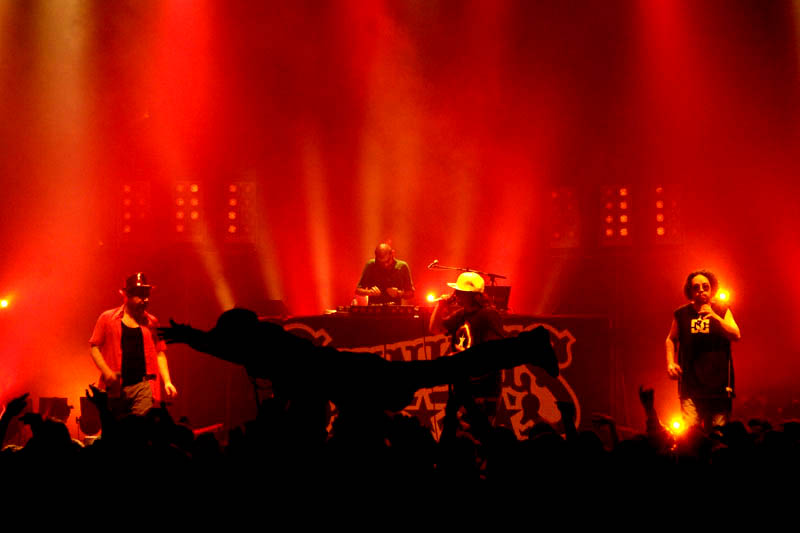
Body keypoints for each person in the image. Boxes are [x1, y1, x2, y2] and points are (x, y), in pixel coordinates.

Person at [157, 307, 558, 425]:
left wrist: (191, 336)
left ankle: (529, 345)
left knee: (443, 370)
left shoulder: (265, 347)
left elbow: (226, 348)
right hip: (358, 377)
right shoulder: (267, 342)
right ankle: (528, 346)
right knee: (442, 370)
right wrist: (191, 335)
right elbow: (226, 347)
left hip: (361, 379)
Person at [89, 273, 177, 419]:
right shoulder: (107, 319)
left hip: (144, 387)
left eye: (147, 295)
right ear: (127, 295)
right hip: (116, 388)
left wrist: (167, 381)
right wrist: (107, 372)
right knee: (117, 429)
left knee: (140, 427)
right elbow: (94, 347)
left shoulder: (152, 322)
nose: (145, 299)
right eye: (140, 295)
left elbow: (160, 353)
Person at [666, 270, 741, 431]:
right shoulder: (681, 314)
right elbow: (671, 339)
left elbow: (736, 334)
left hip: (719, 386)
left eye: (705, 286)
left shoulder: (722, 310)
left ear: (711, 289)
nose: (701, 290)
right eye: (696, 287)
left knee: (719, 434)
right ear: (690, 291)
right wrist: (670, 362)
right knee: (691, 435)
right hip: (690, 385)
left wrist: (714, 316)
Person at [429, 271, 507, 417]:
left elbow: (494, 351)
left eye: (460, 292)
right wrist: (440, 306)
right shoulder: (461, 315)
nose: (456, 295)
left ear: (473, 296)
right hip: (463, 387)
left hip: (484, 389)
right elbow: (435, 329)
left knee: (478, 429)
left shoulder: (489, 314)